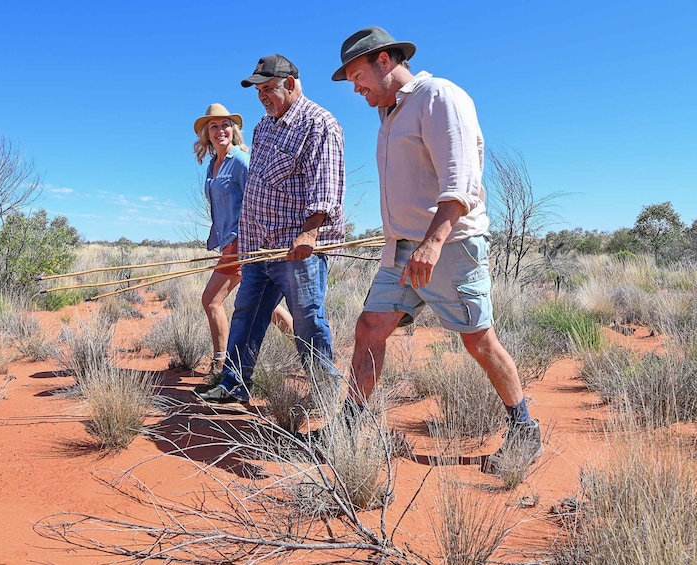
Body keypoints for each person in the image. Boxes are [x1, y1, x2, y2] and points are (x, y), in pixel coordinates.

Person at [331, 27, 543, 473]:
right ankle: (347, 428)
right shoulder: (389, 115)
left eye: (357, 75)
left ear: (385, 61)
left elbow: (460, 181)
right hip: (402, 249)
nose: (356, 87)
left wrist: (432, 242)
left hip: (449, 244)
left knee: (478, 340)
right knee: (370, 328)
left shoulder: (438, 97)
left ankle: (525, 429)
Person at [194, 54, 346, 404]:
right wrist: (244, 244)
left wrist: (309, 234)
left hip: (296, 249)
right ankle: (234, 383)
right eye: (258, 90)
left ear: (290, 84)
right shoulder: (264, 127)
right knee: (246, 314)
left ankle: (326, 394)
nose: (262, 96)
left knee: (307, 319)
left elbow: (326, 187)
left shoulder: (319, 123)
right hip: (258, 248)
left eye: (267, 89)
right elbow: (256, 191)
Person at [192, 103, 293, 376]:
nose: (220, 130)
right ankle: (305, 349)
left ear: (233, 130)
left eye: (225, 125)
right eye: (214, 126)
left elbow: (259, 198)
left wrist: (246, 241)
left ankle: (221, 362)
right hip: (229, 243)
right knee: (265, 304)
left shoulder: (240, 161)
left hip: (243, 243)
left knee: (211, 300)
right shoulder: (214, 165)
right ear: (207, 135)